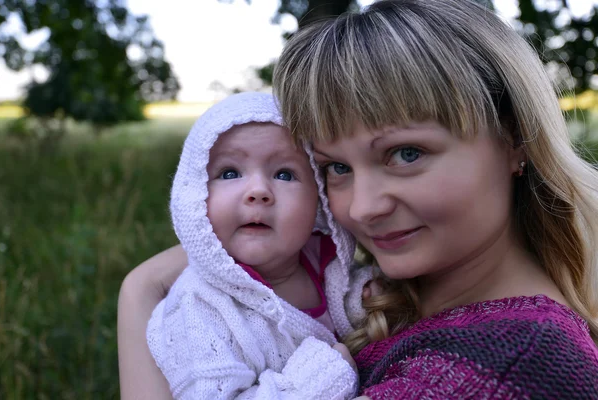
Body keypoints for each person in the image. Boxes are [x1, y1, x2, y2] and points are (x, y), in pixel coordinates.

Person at [119, 0, 598, 398]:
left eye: (405, 154)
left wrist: (140, 292)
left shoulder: (509, 362)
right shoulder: (375, 290)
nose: (363, 208)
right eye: (336, 168)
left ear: (515, 137)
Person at [137, 92, 375, 399]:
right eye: (230, 173)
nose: (258, 191)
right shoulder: (198, 310)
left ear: (318, 201)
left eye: (284, 174)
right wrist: (320, 378)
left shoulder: (323, 263)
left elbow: (341, 301)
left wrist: (364, 299)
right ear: (194, 197)